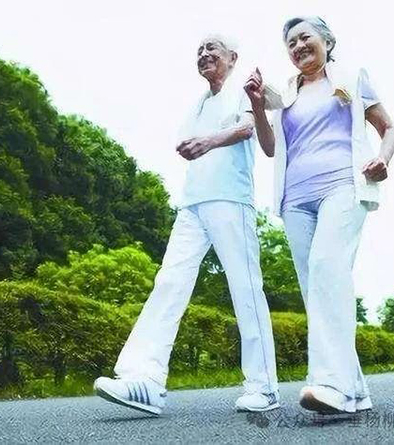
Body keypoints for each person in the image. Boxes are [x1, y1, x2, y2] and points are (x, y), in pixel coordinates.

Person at [94, 34, 279, 415]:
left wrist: (209, 142)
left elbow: (248, 129)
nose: (204, 54)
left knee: (245, 288)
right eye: (199, 51)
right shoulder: (197, 104)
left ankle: (263, 387)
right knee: (169, 282)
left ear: (233, 57)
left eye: (212, 48)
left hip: (230, 200)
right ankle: (145, 379)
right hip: (192, 205)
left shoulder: (245, 90)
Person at [244, 16, 394, 413]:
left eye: (305, 37)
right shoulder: (286, 94)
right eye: (290, 43)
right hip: (295, 199)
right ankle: (355, 389)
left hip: (343, 187)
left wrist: (382, 160)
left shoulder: (352, 77)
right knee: (316, 290)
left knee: (327, 268)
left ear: (327, 41)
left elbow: (389, 128)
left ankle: (330, 384)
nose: (298, 46)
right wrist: (258, 105)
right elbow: (270, 148)